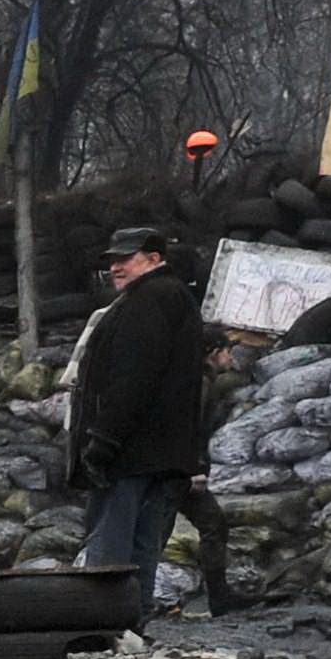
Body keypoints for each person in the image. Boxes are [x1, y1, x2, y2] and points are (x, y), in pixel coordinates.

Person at [64, 227, 217, 612]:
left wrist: (104, 439)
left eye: (126, 258)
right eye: (113, 259)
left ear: (153, 259)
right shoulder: (173, 297)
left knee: (112, 544)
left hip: (132, 452)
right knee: (143, 545)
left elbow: (134, 376)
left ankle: (102, 625)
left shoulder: (149, 300)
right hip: (160, 453)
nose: (116, 266)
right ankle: (130, 625)